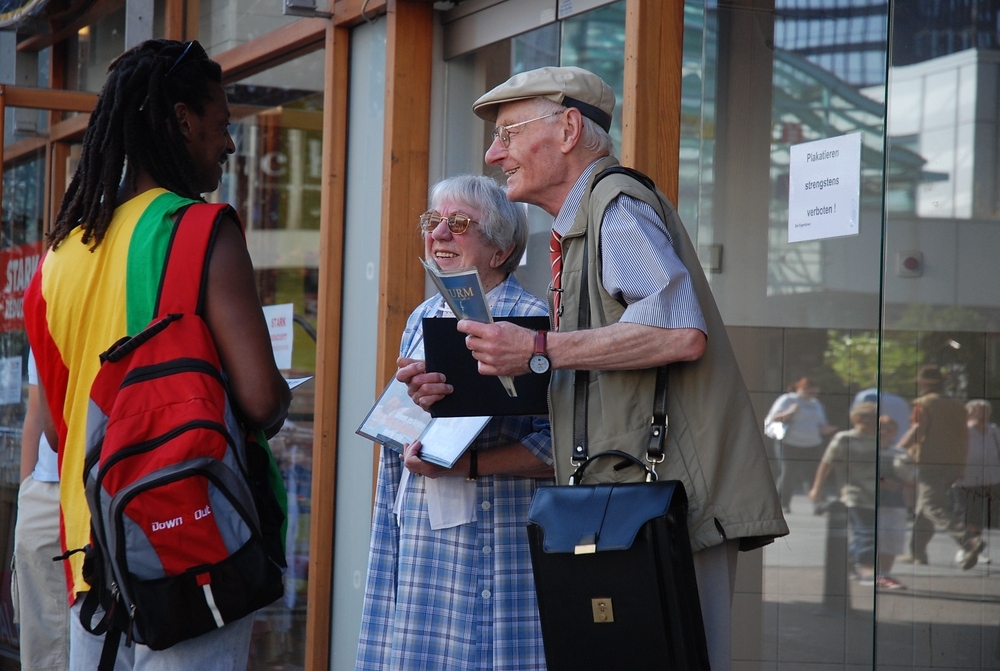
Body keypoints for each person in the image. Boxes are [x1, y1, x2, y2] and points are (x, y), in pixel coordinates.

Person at [411, 66, 788, 671]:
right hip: (635, 503)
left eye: (508, 131)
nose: (493, 151)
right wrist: (462, 385)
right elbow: (607, 369)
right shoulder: (589, 217)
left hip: (663, 507)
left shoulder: (615, 206)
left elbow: (677, 333)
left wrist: (537, 350)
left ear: (566, 129)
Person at [23, 39, 291, 669]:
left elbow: (65, 433)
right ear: (181, 119)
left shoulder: (57, 259)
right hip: (190, 547)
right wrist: (279, 394)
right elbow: (260, 400)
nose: (228, 144)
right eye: (222, 123)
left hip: (95, 556)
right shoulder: (199, 229)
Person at [356, 175, 554, 671]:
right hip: (418, 533)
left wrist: (469, 464)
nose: (439, 234)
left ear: (501, 250)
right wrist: (409, 409)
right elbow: (402, 429)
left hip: (489, 543)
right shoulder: (424, 315)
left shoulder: (531, 325)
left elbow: (565, 446)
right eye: (433, 221)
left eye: (459, 223)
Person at [12, 348, 70, 671]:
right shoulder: (45, 299)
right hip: (43, 490)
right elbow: (35, 412)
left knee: (92, 638)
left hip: (94, 487)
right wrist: (26, 493)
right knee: (38, 652)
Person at [808, 403, 908, 589]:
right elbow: (827, 463)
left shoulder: (877, 440)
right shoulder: (844, 439)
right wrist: (817, 488)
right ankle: (868, 570)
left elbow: (881, 468)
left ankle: (848, 561)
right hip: (854, 493)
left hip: (878, 495)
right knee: (866, 531)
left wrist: (886, 480)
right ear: (856, 419)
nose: (871, 422)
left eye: (874, 417)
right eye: (867, 418)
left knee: (863, 533)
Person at [898, 364, 981, 569]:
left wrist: (898, 449)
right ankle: (917, 554)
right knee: (924, 506)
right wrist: (961, 465)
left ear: (926, 383)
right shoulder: (958, 406)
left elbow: (918, 429)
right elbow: (964, 437)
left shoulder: (923, 403)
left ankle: (967, 540)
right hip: (953, 462)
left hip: (930, 461)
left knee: (933, 506)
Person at [764, 377, 838, 514]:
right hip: (789, 443)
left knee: (813, 475)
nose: (810, 395)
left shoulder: (816, 404)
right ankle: (783, 504)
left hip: (812, 444)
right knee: (788, 473)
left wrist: (826, 430)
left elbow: (821, 424)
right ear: (799, 388)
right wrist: (790, 412)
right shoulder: (788, 399)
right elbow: (773, 418)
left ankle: (817, 504)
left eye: (814, 393)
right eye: (807, 392)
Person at [952, 399, 1000, 565]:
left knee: (980, 517)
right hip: (965, 480)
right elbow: (955, 452)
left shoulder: (993, 430)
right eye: (979, 410)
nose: (984, 414)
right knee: (966, 516)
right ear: (969, 413)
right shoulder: (962, 430)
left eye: (986, 411)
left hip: (988, 479)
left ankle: (974, 550)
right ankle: (964, 549)